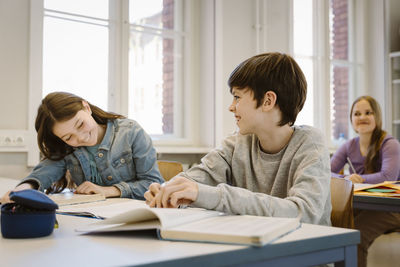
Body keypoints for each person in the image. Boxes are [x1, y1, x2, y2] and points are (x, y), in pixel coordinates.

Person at [144, 52, 332, 226]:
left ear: (268, 101)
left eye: (237, 97)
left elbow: (304, 212)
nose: (231, 107)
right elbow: (197, 179)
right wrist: (167, 190)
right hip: (255, 245)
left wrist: (214, 196)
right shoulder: (238, 142)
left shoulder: (311, 144)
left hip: (305, 252)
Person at [1, 92, 163, 203]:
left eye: (80, 124)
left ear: (86, 107)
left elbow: (153, 183)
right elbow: (43, 174)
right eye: (68, 137)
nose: (81, 137)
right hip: (91, 220)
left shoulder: (130, 132)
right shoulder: (66, 148)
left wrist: (109, 190)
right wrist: (24, 189)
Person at [331, 95, 400, 267]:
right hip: (364, 205)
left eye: (368, 112)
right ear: (351, 120)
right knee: (336, 228)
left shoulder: (390, 144)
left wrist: (360, 179)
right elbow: (326, 172)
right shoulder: (348, 145)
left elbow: (388, 178)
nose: (362, 117)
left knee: (355, 235)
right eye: (357, 114)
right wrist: (346, 178)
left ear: (377, 116)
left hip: (391, 209)